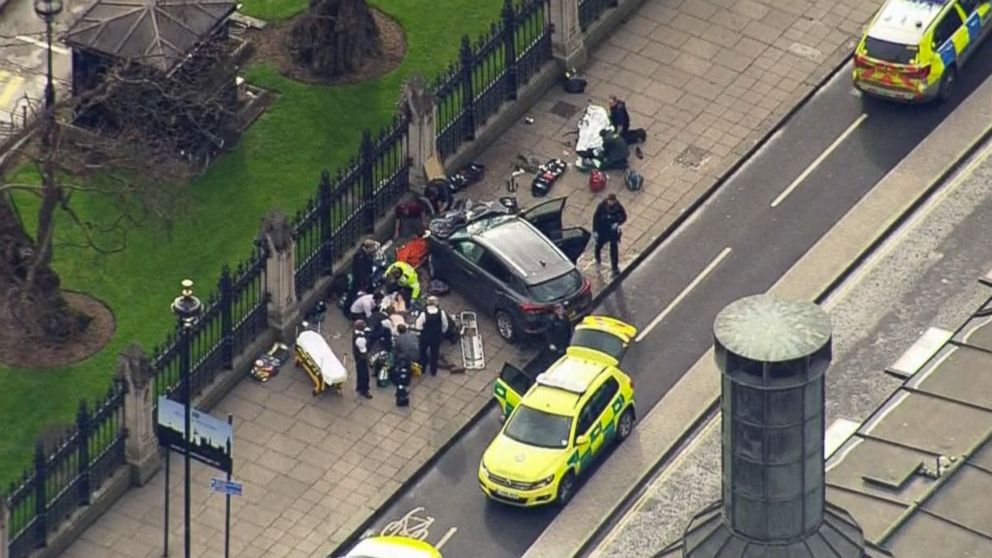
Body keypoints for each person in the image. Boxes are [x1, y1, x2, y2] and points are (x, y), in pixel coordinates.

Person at [593, 193, 627, 274]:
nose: (610, 203)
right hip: (603, 229)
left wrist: (617, 223)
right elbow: (595, 218)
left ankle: (615, 267)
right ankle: (597, 256)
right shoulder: (602, 206)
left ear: (615, 201)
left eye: (612, 201)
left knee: (614, 249)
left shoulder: (618, 206)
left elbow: (624, 217)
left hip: (612, 232)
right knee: (599, 244)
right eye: (609, 201)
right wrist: (595, 231)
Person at [415, 296, 449, 376]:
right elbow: (445, 325)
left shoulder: (423, 314)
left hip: (425, 337)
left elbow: (418, 326)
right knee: (435, 354)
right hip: (436, 337)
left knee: (422, 353)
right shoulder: (441, 313)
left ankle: (423, 369)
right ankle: (433, 371)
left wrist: (422, 331)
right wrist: (442, 333)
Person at [352, 320, 372, 399]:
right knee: (364, 374)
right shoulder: (360, 339)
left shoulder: (356, 333)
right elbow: (363, 351)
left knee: (359, 372)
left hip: (357, 356)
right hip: (361, 358)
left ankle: (359, 386)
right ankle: (364, 390)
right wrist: (368, 360)